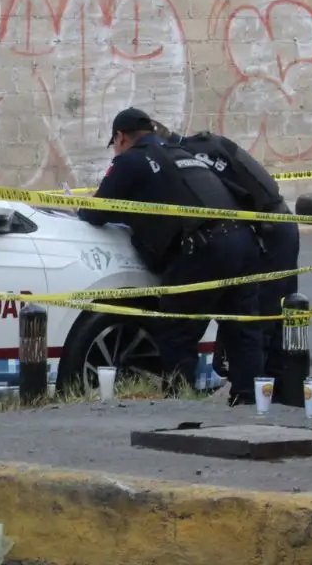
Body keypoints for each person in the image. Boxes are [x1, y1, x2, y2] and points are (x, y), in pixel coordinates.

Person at [77, 108, 264, 406]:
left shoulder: (129, 161)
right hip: (243, 241)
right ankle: (251, 404)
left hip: (203, 249)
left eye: (114, 143)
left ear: (121, 137)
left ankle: (181, 406)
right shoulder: (181, 152)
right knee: (241, 328)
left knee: (176, 332)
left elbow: (95, 212)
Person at [151, 120, 299, 381]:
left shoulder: (190, 159)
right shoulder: (207, 144)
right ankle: (267, 391)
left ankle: (268, 392)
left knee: (262, 317)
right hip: (280, 224)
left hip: (268, 231)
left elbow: (227, 198)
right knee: (269, 316)